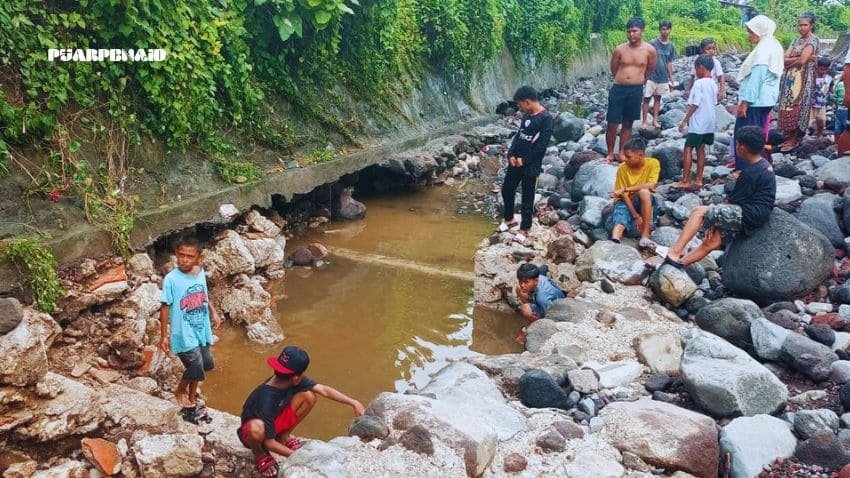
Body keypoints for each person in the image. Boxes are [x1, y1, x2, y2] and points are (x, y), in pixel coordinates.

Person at [238, 345, 365, 478]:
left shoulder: (293, 381)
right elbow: (268, 442)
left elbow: (324, 390)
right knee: (256, 428)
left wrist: (353, 402)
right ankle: (259, 454)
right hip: (253, 435)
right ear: (296, 377)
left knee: (309, 396)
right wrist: (300, 457)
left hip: (272, 422)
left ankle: (283, 436)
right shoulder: (265, 397)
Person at [665, 125, 776, 267]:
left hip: (749, 213)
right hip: (758, 214)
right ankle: (680, 263)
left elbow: (731, 201)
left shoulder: (751, 173)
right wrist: (717, 218)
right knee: (712, 241)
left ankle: (674, 251)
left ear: (742, 148)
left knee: (698, 212)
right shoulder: (764, 164)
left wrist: (714, 219)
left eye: (736, 144)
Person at [159, 237, 222, 423]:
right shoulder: (171, 279)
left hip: (201, 329)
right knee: (195, 367)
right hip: (183, 332)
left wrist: (214, 312)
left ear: (199, 258)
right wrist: (164, 336)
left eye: (190, 256)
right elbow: (164, 306)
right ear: (176, 255)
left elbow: (203, 294)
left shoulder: (199, 272)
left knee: (205, 365)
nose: (185, 260)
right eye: (181, 255)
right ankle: (179, 391)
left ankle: (193, 399)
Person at [498, 85, 553, 244]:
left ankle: (525, 228)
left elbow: (541, 145)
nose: (519, 108)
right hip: (515, 162)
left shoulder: (545, 118)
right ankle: (509, 219)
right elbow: (519, 137)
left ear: (527, 102)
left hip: (530, 166)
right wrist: (511, 154)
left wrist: (526, 159)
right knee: (507, 190)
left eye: (520, 105)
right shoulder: (526, 116)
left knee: (527, 198)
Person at [731, 15, 783, 170]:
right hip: (766, 99)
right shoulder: (774, 45)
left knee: (745, 136)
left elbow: (757, 79)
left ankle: (746, 168)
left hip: (756, 101)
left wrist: (745, 102)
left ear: (761, 31)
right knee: (757, 134)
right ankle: (756, 166)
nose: (749, 35)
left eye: (751, 32)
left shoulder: (763, 50)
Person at [606, 17, 657, 163]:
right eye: (629, 32)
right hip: (618, 88)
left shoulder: (649, 50)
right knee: (612, 122)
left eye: (634, 31)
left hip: (635, 89)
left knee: (628, 123)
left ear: (642, 31)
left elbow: (649, 69)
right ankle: (610, 153)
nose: (631, 34)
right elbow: (614, 68)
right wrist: (622, 78)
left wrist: (639, 79)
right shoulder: (620, 49)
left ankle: (622, 152)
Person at [778, 13, 819, 152]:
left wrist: (791, 61)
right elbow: (783, 59)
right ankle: (789, 134)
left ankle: (795, 137)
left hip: (803, 79)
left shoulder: (813, 41)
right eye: (800, 25)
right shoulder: (796, 41)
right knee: (787, 104)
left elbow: (802, 61)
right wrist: (797, 59)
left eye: (805, 25)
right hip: (790, 78)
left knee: (798, 105)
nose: (801, 28)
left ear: (811, 25)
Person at [676, 54, 718, 191]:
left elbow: (694, 104)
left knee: (688, 148)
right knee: (701, 148)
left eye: (696, 69)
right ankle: (699, 179)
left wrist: (684, 121)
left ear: (701, 67)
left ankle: (685, 180)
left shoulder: (698, 83)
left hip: (698, 122)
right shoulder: (713, 83)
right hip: (709, 122)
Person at [608, 137, 660, 247]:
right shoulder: (623, 168)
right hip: (624, 201)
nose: (625, 159)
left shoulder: (653, 163)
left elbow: (651, 185)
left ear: (640, 155)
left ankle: (645, 236)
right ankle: (615, 239)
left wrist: (626, 188)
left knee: (644, 192)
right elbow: (623, 195)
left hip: (642, 199)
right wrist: (635, 216)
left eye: (629, 157)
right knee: (621, 216)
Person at [642, 21, 676, 129]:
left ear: (670, 30)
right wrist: (644, 75)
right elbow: (645, 58)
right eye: (663, 29)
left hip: (663, 77)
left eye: (667, 29)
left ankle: (655, 120)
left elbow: (669, 62)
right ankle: (644, 121)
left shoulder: (671, 46)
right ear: (660, 30)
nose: (664, 31)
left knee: (657, 99)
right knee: (647, 98)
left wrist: (671, 78)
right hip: (651, 76)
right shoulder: (652, 43)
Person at [685, 38, 725, 104]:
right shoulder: (698, 61)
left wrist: (721, 91)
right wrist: (688, 89)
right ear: (702, 50)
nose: (711, 51)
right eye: (708, 49)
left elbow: (721, 76)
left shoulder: (715, 62)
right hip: (698, 88)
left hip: (710, 89)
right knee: (697, 104)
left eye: (713, 48)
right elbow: (692, 76)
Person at [811, 56, 834, 138]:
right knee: (807, 122)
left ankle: (819, 135)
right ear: (817, 67)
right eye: (821, 69)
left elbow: (831, 89)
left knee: (822, 121)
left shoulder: (829, 78)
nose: (823, 71)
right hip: (811, 104)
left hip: (822, 104)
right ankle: (801, 137)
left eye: (825, 69)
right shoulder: (812, 77)